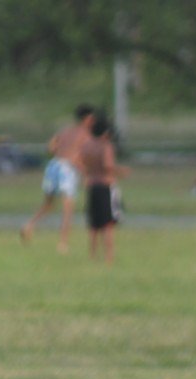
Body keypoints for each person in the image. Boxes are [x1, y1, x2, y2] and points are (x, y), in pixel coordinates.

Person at [22, 105, 95, 252]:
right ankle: (63, 243)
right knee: (68, 209)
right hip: (67, 169)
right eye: (92, 118)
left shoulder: (65, 130)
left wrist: (61, 153)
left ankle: (29, 225)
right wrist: (86, 174)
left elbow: (50, 147)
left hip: (53, 165)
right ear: (87, 118)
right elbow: (80, 158)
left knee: (48, 204)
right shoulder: (86, 134)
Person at [80, 115, 122, 264]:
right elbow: (108, 166)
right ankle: (109, 257)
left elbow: (83, 163)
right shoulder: (106, 146)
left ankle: (92, 256)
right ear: (105, 132)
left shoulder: (86, 146)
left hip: (91, 185)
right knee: (107, 224)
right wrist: (121, 171)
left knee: (94, 225)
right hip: (105, 186)